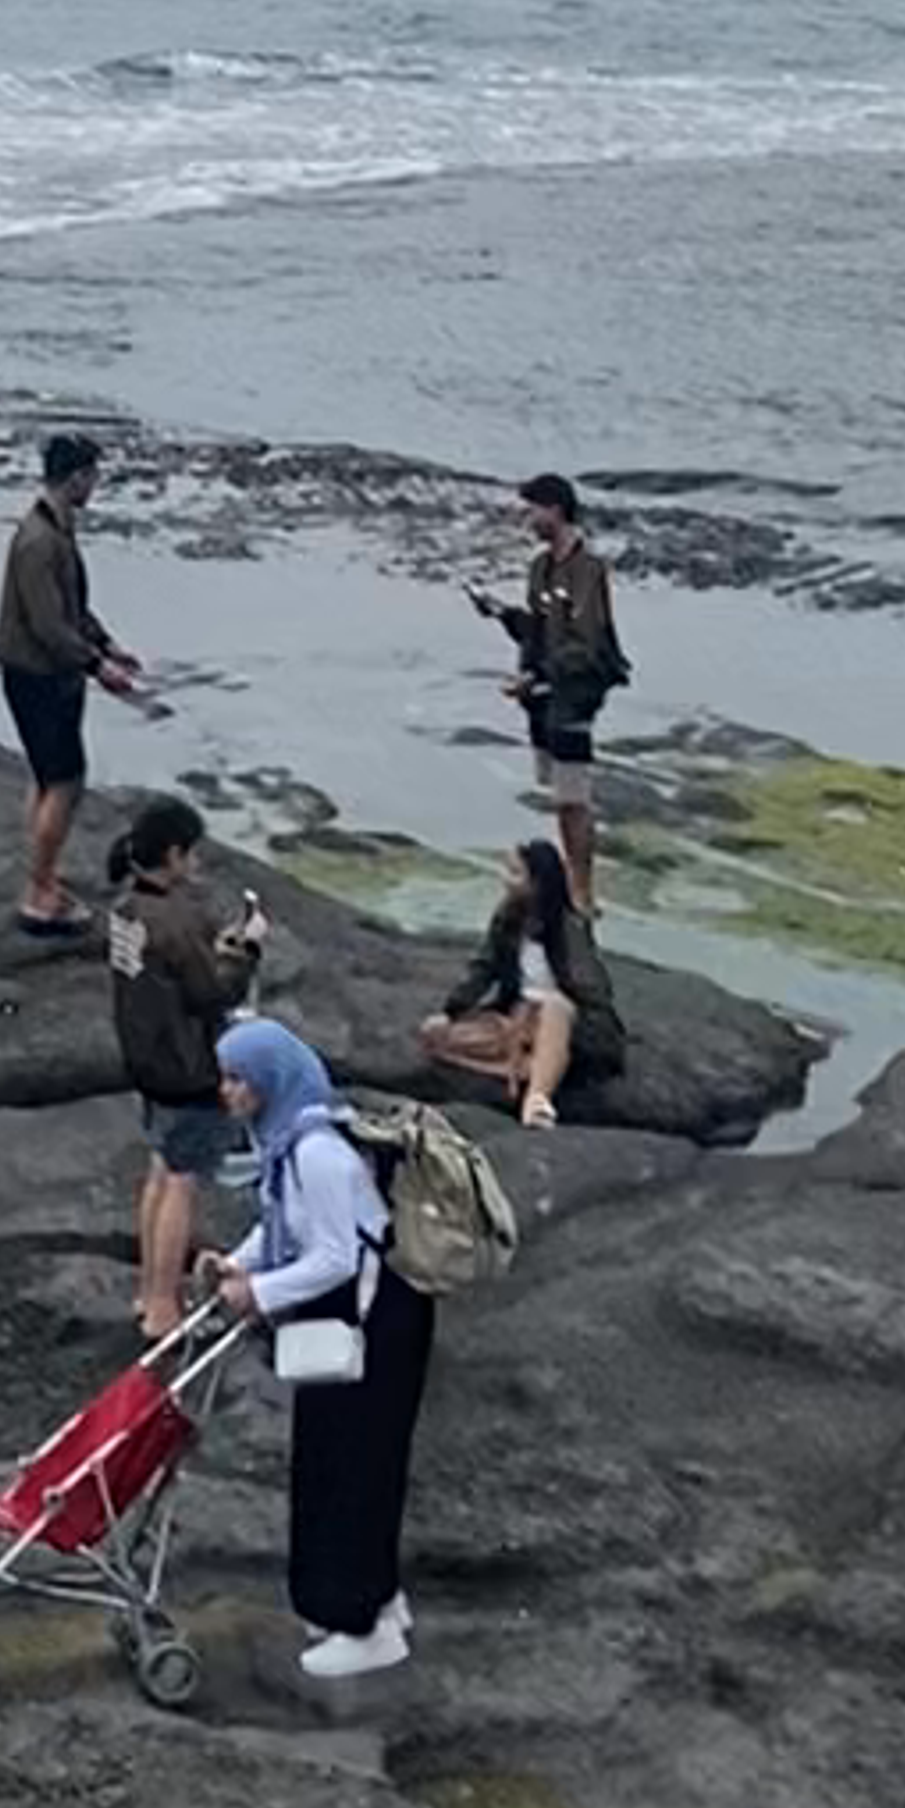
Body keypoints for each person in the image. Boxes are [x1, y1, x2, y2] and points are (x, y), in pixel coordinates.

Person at [213, 1013, 429, 1684]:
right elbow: (283, 1222)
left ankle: (360, 1622)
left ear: (269, 1080)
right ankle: (374, 1598)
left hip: (373, 1322)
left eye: (236, 1078)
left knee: (351, 1468)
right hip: (360, 1315)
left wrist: (260, 1293)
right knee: (344, 1462)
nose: (225, 1091)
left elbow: (335, 1254)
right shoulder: (293, 1141)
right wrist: (239, 1265)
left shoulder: (318, 1152)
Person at [107, 792, 263, 1339]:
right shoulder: (175, 919)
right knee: (181, 1182)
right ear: (172, 854)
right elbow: (212, 994)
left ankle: (149, 1293)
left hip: (145, 1061)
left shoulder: (127, 909)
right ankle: (164, 1311)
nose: (195, 865)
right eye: (191, 854)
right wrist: (244, 951)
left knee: (159, 1172)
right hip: (186, 1067)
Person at [0, 433, 148, 940]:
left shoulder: (55, 528)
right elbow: (48, 624)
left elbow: (72, 608)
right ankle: (39, 890)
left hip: (44, 671)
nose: (97, 484)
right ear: (78, 476)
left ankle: (43, 874)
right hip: (38, 675)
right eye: (93, 475)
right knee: (63, 781)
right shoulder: (39, 540)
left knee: (48, 777)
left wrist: (107, 645)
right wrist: (96, 667)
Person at [416, 832, 621, 1131]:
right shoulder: (507, 918)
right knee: (434, 1038)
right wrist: (451, 1011)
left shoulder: (568, 928)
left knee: (555, 1008)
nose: (506, 880)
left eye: (515, 874)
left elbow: (594, 992)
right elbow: (483, 969)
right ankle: (525, 1066)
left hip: (566, 1023)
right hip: (518, 1018)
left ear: (537, 883)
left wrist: (557, 1014)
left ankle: (537, 1098)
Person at [483, 473, 621, 908]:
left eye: (532, 510)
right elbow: (538, 632)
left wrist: (540, 675)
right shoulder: (540, 568)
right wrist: (502, 615)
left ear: (555, 509)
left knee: (571, 796)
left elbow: (588, 641)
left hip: (577, 690)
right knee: (559, 793)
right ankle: (572, 879)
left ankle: (582, 890)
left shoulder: (587, 570)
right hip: (544, 693)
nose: (526, 520)